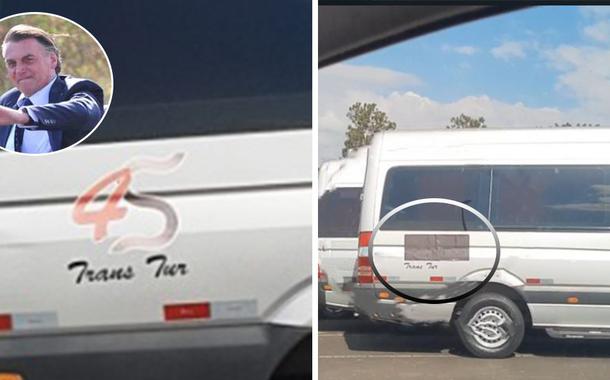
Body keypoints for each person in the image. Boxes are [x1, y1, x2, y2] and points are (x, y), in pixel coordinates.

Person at [0, 24, 104, 153]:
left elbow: (86, 112)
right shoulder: (6, 102)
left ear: (52, 60)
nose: (19, 70)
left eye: (28, 60)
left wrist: (24, 116)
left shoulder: (77, 89)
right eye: (12, 64)